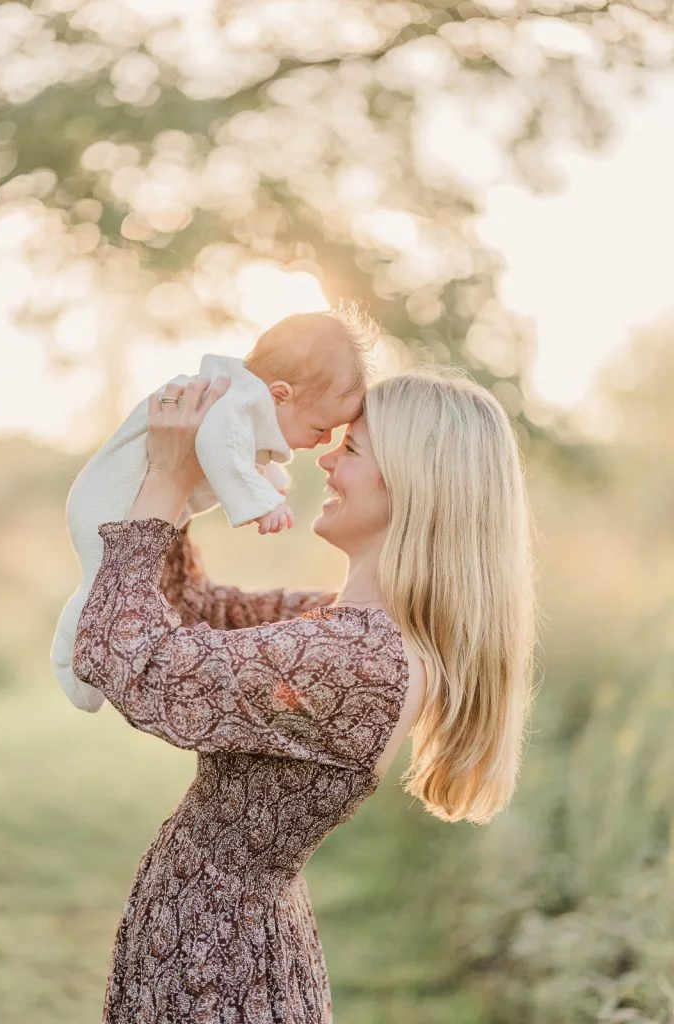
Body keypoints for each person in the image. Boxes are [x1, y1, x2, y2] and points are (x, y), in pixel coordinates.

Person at [72, 367, 536, 1024]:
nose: (324, 458)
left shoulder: (359, 660)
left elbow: (129, 659)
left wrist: (167, 482)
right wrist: (195, 467)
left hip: (221, 978)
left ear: (411, 487)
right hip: (211, 952)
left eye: (348, 449)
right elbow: (203, 610)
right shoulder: (346, 630)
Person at [53, 309, 374, 712]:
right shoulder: (235, 402)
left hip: (127, 508)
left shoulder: (243, 404)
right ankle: (72, 663)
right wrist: (259, 502)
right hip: (107, 508)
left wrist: (260, 476)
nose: (326, 442)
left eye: (345, 442)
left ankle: (78, 658)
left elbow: (231, 454)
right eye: (320, 428)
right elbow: (218, 449)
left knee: (110, 584)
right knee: (100, 585)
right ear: (279, 395)